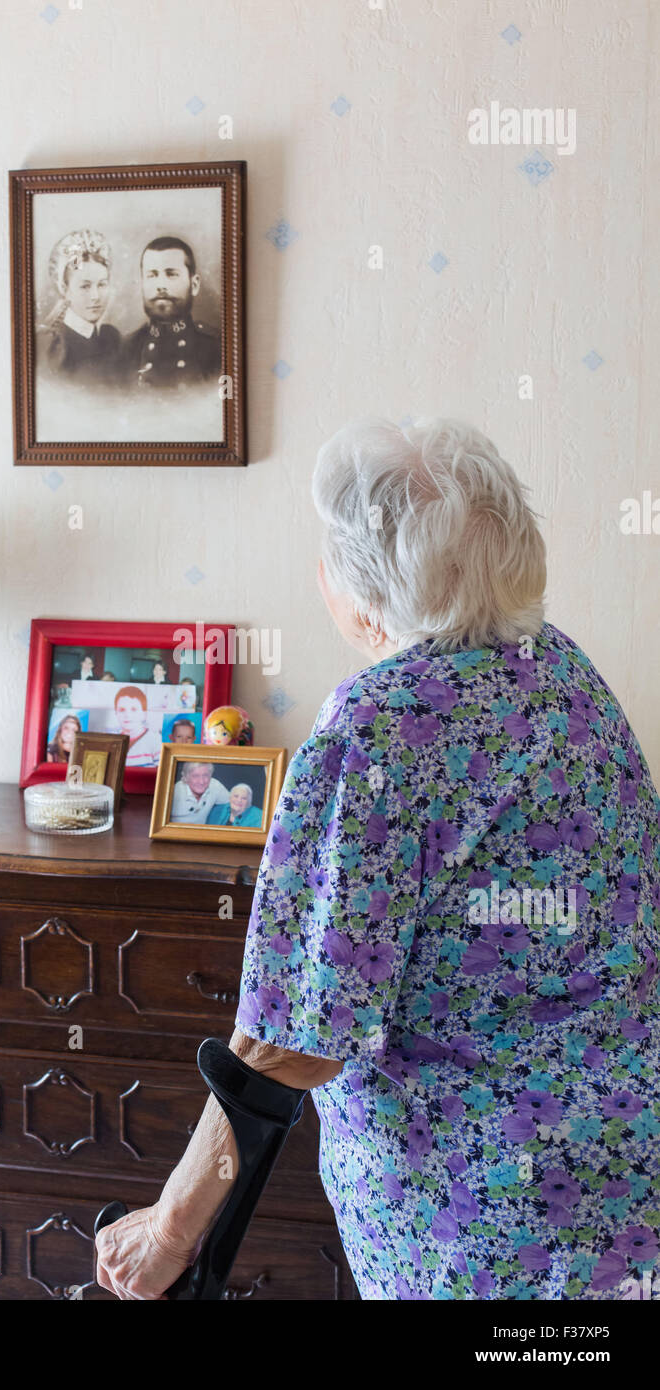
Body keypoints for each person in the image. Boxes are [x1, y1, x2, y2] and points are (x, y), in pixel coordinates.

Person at [95, 416, 660, 1302]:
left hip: (476, 1225)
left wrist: (169, 1230)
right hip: (623, 1190)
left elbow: (296, 1036)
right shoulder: (565, 675)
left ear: (358, 598)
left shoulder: (378, 728)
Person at [120, 237, 220, 389]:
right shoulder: (124, 350)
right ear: (142, 284)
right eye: (152, 275)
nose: (160, 286)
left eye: (171, 274)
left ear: (194, 285)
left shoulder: (218, 347)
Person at [36, 230, 121, 383]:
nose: (95, 296)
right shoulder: (54, 346)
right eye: (85, 286)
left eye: (102, 285)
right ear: (65, 290)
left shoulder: (111, 338)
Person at [113, 686, 162, 767]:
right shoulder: (112, 741)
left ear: (144, 714)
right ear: (116, 713)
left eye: (133, 709)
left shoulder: (156, 741)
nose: (127, 715)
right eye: (122, 710)